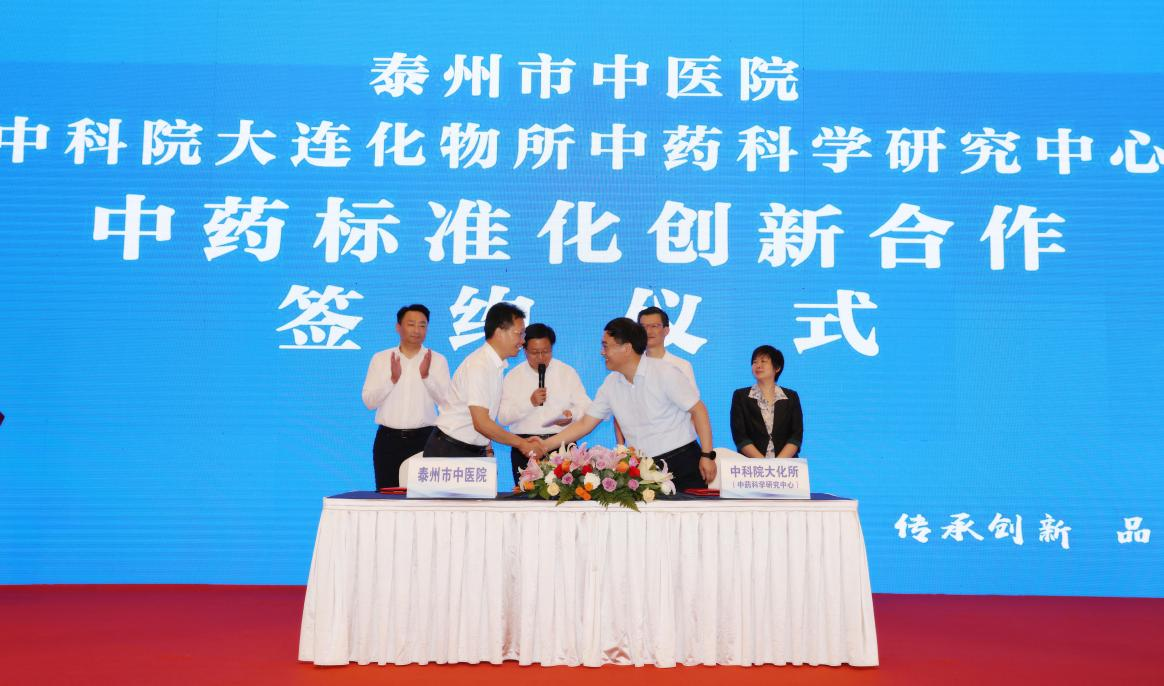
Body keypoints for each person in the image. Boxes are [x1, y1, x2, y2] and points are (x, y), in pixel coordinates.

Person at [544, 317, 716, 490]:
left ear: (626, 348)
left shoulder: (664, 372)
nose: (602, 352)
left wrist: (707, 455)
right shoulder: (610, 384)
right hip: (644, 469)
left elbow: (698, 410)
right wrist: (545, 445)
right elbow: (585, 423)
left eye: (606, 346)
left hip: (683, 461)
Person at [424, 302, 546, 461]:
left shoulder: (495, 365)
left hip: (468, 450)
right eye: (519, 334)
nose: (523, 341)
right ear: (499, 332)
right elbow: (481, 423)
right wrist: (522, 443)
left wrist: (487, 447)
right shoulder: (479, 365)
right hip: (450, 451)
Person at [361, 304, 451, 489]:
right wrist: (392, 380)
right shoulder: (380, 359)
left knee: (423, 497)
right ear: (398, 327)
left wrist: (427, 377)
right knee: (387, 496)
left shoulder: (438, 360)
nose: (417, 330)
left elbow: (446, 402)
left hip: (424, 439)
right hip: (388, 440)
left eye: (422, 325)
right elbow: (369, 402)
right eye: (411, 324)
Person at [497, 323, 591, 480]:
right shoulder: (513, 376)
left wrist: (572, 414)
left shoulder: (566, 372)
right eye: (535, 352)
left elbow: (587, 406)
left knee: (568, 495)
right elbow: (503, 418)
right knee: (527, 495)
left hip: (562, 445)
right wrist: (530, 403)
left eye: (545, 351)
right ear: (524, 350)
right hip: (526, 448)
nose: (541, 357)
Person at [614, 305, 700, 445]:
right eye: (643, 327)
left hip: (676, 444)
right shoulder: (629, 367)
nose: (648, 331)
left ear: (666, 330)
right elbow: (620, 412)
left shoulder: (681, 366)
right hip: (640, 448)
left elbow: (694, 410)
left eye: (654, 326)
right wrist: (621, 448)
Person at [729, 345, 803, 459]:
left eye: (763, 361)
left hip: (786, 465)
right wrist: (763, 464)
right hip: (751, 465)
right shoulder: (740, 396)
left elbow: (796, 435)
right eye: (755, 362)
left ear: (777, 368)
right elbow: (740, 436)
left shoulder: (791, 397)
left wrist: (778, 464)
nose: (758, 365)